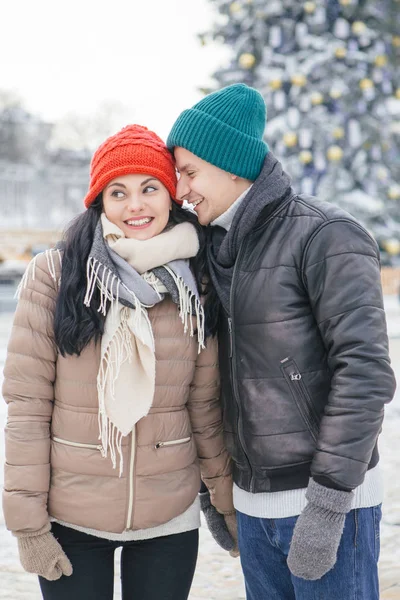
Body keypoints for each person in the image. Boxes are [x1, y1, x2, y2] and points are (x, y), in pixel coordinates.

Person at [166, 84, 396, 600]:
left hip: (328, 505)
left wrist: (328, 504)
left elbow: (365, 374)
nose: (180, 188)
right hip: (254, 508)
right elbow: (213, 381)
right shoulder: (208, 251)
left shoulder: (326, 235)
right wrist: (219, 498)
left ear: (231, 166)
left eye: (189, 171)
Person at [2, 124, 237, 600]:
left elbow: (205, 407)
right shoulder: (56, 275)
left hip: (168, 514)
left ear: (171, 197)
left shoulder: (197, 283)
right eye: (119, 192)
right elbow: (27, 408)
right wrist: (28, 526)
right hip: (72, 514)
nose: (136, 206)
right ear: (99, 202)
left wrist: (225, 505)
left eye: (150, 188)